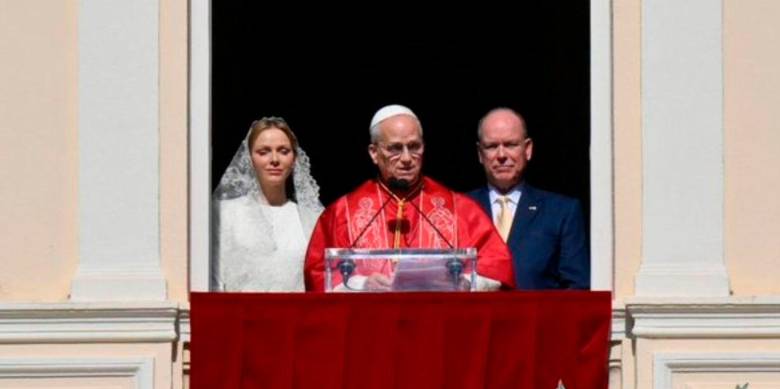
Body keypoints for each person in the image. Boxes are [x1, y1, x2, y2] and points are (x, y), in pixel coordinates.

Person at [304, 105, 514, 291]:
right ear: (374, 153)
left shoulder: (460, 209)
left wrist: (463, 282)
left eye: (414, 147)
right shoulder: (343, 213)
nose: (406, 158)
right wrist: (362, 284)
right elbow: (318, 272)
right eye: (395, 148)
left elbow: (497, 266)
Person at [469, 108, 590, 289]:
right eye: (492, 146)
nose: (501, 155)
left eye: (510, 145)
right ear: (480, 153)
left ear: (528, 149)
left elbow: (577, 289)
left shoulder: (562, 212)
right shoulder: (460, 209)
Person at [212, 117, 324, 291]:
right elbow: (214, 277)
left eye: (283, 151)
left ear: (294, 159)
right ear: (250, 159)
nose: (274, 159)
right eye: (263, 152)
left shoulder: (311, 218)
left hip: (296, 316)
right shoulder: (226, 212)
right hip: (240, 315)